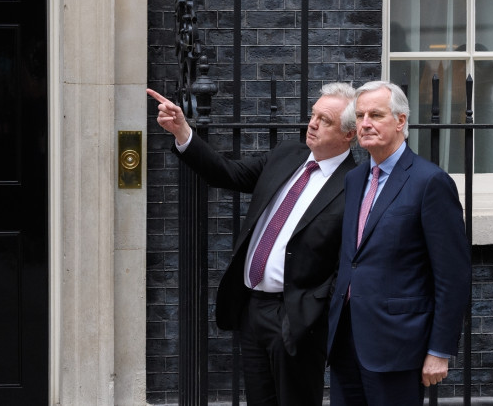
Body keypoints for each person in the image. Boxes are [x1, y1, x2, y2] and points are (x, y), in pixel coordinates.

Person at [147, 83, 357, 406]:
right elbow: (227, 173)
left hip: (296, 320)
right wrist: (183, 132)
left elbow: (347, 267)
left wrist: (310, 317)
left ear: (349, 135)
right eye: (313, 115)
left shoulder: (353, 185)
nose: (312, 124)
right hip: (253, 310)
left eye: (325, 120)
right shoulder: (289, 155)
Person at [326, 81, 471, 406]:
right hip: (346, 342)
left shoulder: (430, 182)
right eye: (360, 115)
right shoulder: (354, 178)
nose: (365, 123)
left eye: (375, 115)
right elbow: (353, 258)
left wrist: (439, 350)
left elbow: (453, 275)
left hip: (398, 347)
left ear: (401, 121)